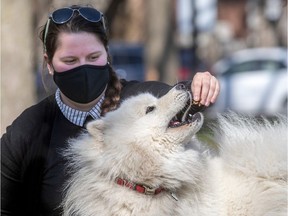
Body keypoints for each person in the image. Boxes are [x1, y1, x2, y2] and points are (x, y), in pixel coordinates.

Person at [1, 5, 220, 216]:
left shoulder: (139, 100)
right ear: (49, 64)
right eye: (70, 60)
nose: (83, 67)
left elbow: (172, 103)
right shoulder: (27, 132)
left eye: (93, 57)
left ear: (107, 55)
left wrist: (198, 90)